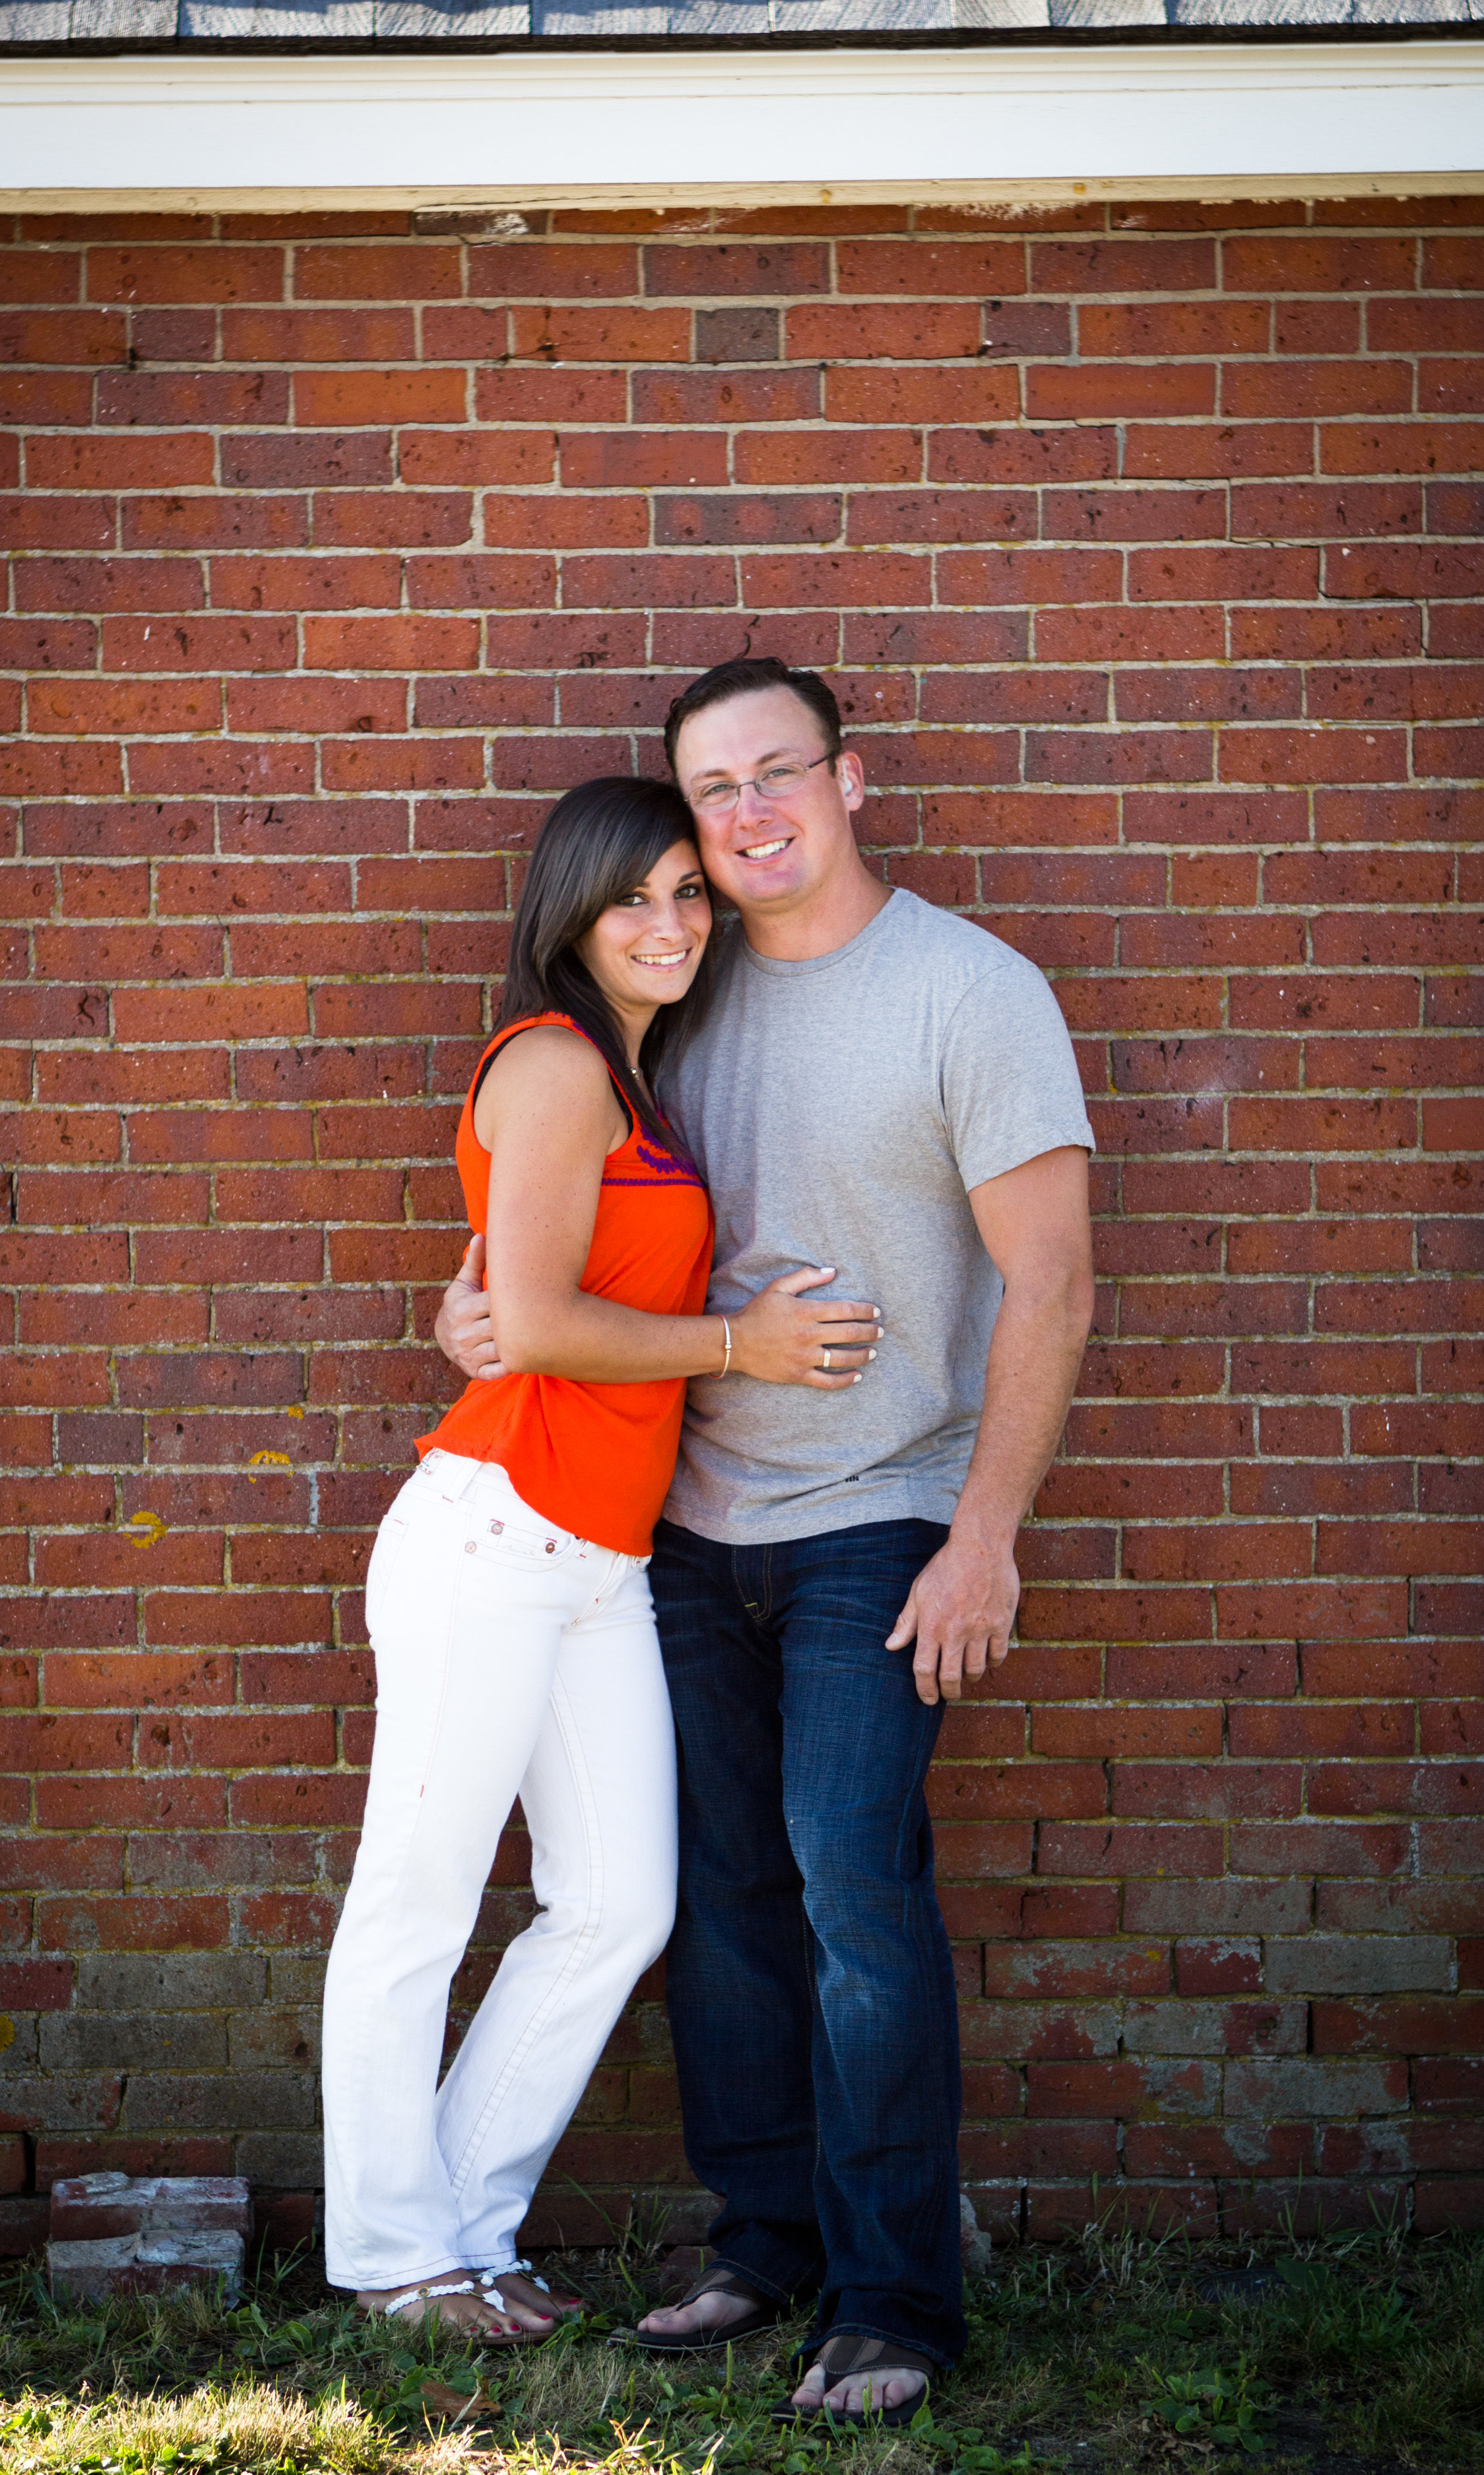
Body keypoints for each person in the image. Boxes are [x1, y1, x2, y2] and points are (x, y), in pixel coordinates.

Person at [436, 663, 1095, 2417]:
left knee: (851, 1887)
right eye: (708, 789)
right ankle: (763, 2236)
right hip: (680, 1521)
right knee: (724, 1901)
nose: (742, 813)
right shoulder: (682, 983)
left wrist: (987, 1535)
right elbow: (566, 1220)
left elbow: (1053, 1275)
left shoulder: (970, 989)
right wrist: (481, 1302)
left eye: (773, 770)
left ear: (849, 776)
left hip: (880, 1517)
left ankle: (892, 2295)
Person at [321, 773, 881, 2345]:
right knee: (416, 1902)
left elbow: (512, 1295)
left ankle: (466, 2227)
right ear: (569, 914)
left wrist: (492, 1310)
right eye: (632, 895)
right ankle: (389, 2256)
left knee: (619, 1906)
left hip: (595, 1559)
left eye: (687, 893)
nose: (670, 922)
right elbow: (550, 1323)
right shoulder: (556, 1062)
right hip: (492, 1533)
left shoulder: (636, 1086)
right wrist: (738, 1346)